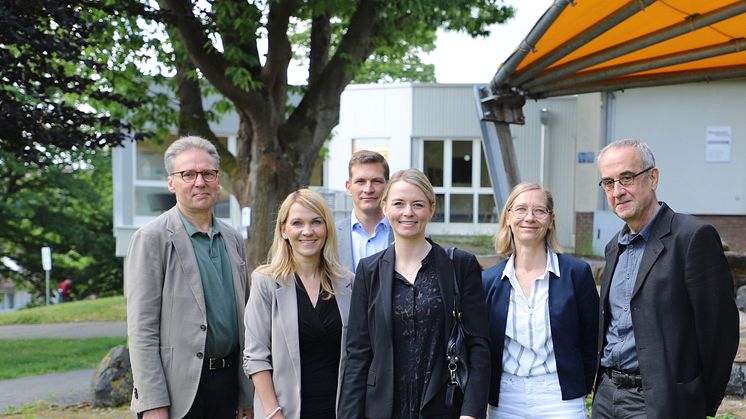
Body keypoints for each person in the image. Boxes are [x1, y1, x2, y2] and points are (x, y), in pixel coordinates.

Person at [591, 139, 739, 418]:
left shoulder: (692, 237)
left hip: (661, 402)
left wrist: (696, 399)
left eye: (627, 178)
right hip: (607, 398)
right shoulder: (614, 247)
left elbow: (720, 332)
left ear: (653, 177)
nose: (618, 191)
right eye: (608, 183)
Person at [338, 168, 490, 419]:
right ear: (385, 207)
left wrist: (471, 413)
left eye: (417, 204)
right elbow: (357, 355)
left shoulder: (460, 266)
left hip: (445, 408)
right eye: (399, 203)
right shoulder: (369, 270)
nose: (408, 213)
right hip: (383, 410)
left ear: (431, 208)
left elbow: (479, 347)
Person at [125, 136, 252, 419]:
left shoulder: (233, 239)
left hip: (228, 383)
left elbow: (246, 323)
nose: (200, 182)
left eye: (208, 173)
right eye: (188, 174)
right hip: (176, 391)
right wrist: (152, 402)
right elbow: (141, 330)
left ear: (218, 180)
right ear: (172, 182)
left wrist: (247, 392)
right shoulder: (150, 239)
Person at [482, 183, 599, 418]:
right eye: (521, 209)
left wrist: (580, 388)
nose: (529, 218)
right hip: (506, 397)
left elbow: (592, 340)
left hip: (560, 396)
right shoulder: (488, 280)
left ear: (551, 219)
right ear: (508, 217)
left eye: (539, 211)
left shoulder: (576, 274)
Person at [243, 189, 354, 419]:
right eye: (297, 223)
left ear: (327, 228)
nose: (307, 231)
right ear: (283, 229)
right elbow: (255, 357)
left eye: (316, 222)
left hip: (339, 412)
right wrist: (273, 413)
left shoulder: (348, 283)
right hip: (285, 412)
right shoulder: (265, 283)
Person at [336, 150, 394, 272]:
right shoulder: (330, 236)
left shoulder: (406, 234)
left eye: (376, 181)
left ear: (388, 186)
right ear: (349, 187)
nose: (368, 189)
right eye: (360, 181)